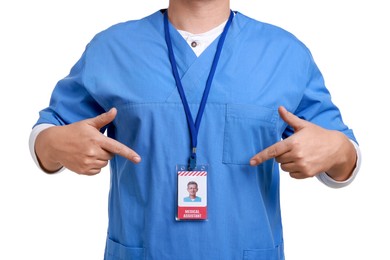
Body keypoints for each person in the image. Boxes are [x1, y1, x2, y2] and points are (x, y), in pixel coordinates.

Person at [29, 0, 361, 259]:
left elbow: (344, 154)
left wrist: (337, 150)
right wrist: (52, 144)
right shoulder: (112, 49)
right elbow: (50, 129)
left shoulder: (284, 54)